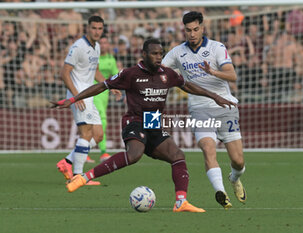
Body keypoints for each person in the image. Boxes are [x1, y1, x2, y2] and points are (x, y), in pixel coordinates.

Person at [51, 38, 236, 212]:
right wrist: (74, 98)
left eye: (160, 54)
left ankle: (181, 202)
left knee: (178, 156)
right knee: (134, 155)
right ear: (144, 54)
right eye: (154, 54)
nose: (158, 57)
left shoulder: (167, 74)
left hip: (154, 122)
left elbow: (188, 86)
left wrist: (215, 96)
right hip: (135, 121)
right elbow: (102, 86)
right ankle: (83, 177)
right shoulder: (130, 74)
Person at [162, 11, 247, 209]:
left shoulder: (217, 47)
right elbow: (158, 69)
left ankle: (234, 178)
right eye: (188, 30)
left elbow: (232, 75)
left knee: (238, 160)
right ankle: (221, 192)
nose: (192, 34)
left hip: (225, 106)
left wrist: (212, 72)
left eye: (195, 29)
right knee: (208, 149)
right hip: (199, 109)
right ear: (184, 30)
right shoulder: (177, 52)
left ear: (203, 28)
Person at [56, 15, 115, 186]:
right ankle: (78, 176)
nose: (97, 31)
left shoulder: (96, 47)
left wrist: (109, 85)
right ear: (87, 28)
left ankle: (67, 162)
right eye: (94, 28)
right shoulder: (78, 47)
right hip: (79, 95)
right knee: (86, 134)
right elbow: (64, 73)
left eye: (99, 28)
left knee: (97, 135)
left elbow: (94, 71)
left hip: (88, 95)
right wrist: (75, 96)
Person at [92, 34, 119, 163]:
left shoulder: (111, 59)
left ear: (108, 45)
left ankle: (84, 151)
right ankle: (103, 152)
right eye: (100, 43)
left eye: (105, 43)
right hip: (93, 92)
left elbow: (115, 76)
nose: (103, 45)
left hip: (105, 95)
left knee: (93, 123)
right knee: (102, 120)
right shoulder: (93, 57)